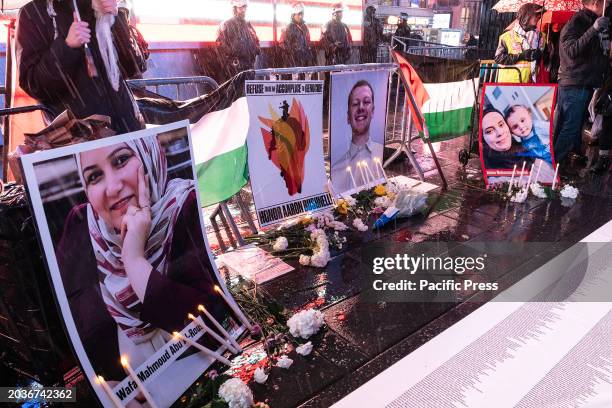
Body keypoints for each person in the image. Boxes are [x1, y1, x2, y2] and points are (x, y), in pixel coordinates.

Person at [56, 136, 233, 381]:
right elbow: (80, 328)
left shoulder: (186, 205)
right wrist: (112, 386)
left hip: (211, 377)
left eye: (121, 160)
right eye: (94, 176)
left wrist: (133, 259)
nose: (113, 187)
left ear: (149, 154)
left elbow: (213, 328)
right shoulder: (82, 226)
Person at [16, 0, 145, 134]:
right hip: (81, 137)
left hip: (129, 128)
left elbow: (133, 67)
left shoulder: (102, 6)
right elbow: (34, 84)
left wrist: (117, 21)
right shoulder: (33, 13)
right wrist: (67, 46)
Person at [554, 0, 609, 169]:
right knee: (569, 127)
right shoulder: (579, 21)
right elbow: (571, 50)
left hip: (583, 83)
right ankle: (551, 166)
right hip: (575, 83)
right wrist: (594, 30)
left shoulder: (589, 20)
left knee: (571, 126)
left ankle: (561, 162)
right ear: (594, 3)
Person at [331, 80, 384, 192]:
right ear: (348, 117)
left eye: (366, 102)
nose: (361, 107)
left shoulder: (381, 156)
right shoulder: (336, 170)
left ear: (373, 111)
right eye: (355, 104)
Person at [494, 3, 546, 83]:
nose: (539, 17)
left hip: (531, 84)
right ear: (526, 15)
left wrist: (541, 55)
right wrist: (521, 56)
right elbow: (499, 58)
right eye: (536, 14)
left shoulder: (540, 36)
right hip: (508, 84)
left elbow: (546, 61)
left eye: (540, 14)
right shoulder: (506, 36)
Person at [216, 0, 260, 81]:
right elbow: (220, 46)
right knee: (236, 92)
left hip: (248, 66)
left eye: (244, 7)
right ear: (234, 9)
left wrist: (255, 50)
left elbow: (256, 41)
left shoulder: (247, 25)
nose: (243, 10)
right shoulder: (227, 25)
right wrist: (231, 62)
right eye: (240, 8)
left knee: (248, 92)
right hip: (234, 68)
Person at [280, 3, 313, 68]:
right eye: (299, 14)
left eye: (302, 14)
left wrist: (307, 52)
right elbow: (281, 43)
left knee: (304, 77)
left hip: (304, 60)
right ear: (293, 15)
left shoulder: (305, 27)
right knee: (294, 77)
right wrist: (292, 51)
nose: (301, 16)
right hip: (292, 61)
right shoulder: (288, 27)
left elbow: (308, 41)